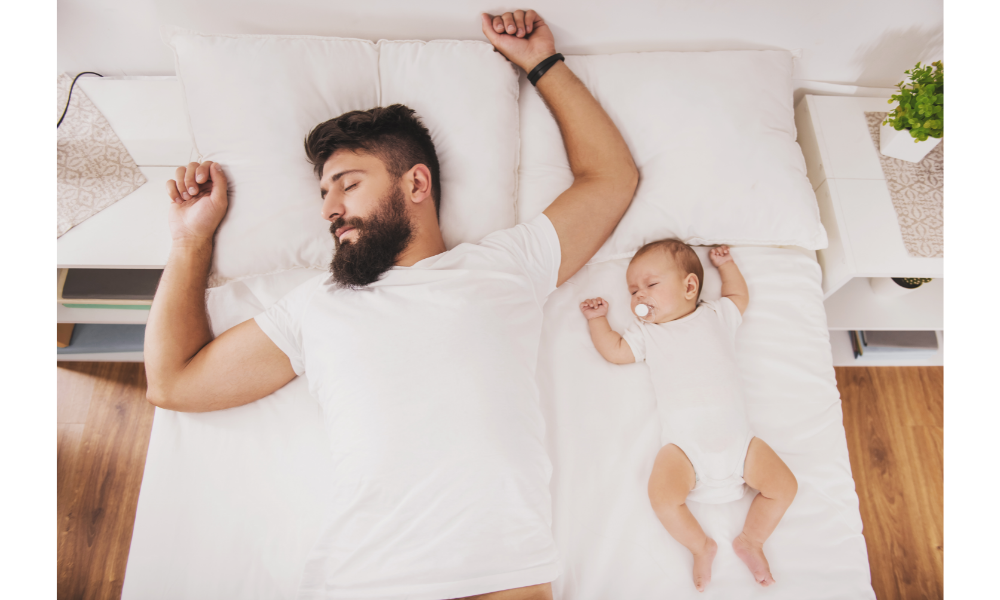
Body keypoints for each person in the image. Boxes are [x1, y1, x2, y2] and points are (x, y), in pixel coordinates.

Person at [145, 10, 638, 600]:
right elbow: (174, 383)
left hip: (504, 574)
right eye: (324, 193)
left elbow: (610, 177)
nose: (330, 208)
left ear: (417, 184)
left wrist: (543, 64)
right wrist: (190, 240)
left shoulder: (505, 265)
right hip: (371, 576)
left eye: (348, 184)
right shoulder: (315, 307)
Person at [579, 242, 798, 592]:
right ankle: (701, 546)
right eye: (633, 290)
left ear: (690, 286)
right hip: (685, 450)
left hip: (741, 446)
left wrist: (726, 265)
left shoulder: (715, 315)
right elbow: (616, 352)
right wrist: (598, 321)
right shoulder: (646, 333)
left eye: (650, 285)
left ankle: (752, 540)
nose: (639, 295)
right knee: (662, 498)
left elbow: (739, 295)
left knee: (785, 487)